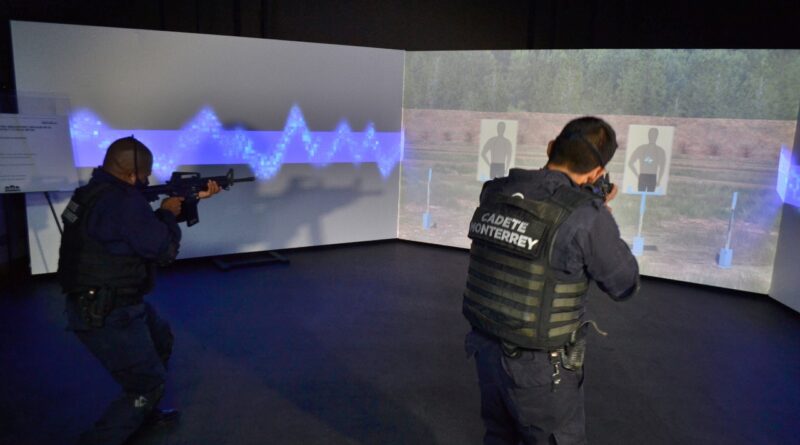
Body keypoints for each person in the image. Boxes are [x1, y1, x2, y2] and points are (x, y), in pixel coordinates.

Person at [463, 116, 640, 445]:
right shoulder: (586, 215)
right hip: (541, 368)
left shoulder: (495, 191)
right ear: (597, 173)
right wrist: (600, 214)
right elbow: (624, 283)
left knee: (499, 436)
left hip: (485, 347)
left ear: (550, 148)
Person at [57, 136, 220, 445]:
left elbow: (132, 232)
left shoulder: (91, 193)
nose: (147, 180)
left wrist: (182, 204)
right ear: (131, 175)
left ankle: (142, 414)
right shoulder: (124, 203)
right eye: (144, 175)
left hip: (100, 300)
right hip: (107, 310)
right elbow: (164, 251)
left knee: (161, 339)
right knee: (147, 385)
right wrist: (168, 213)